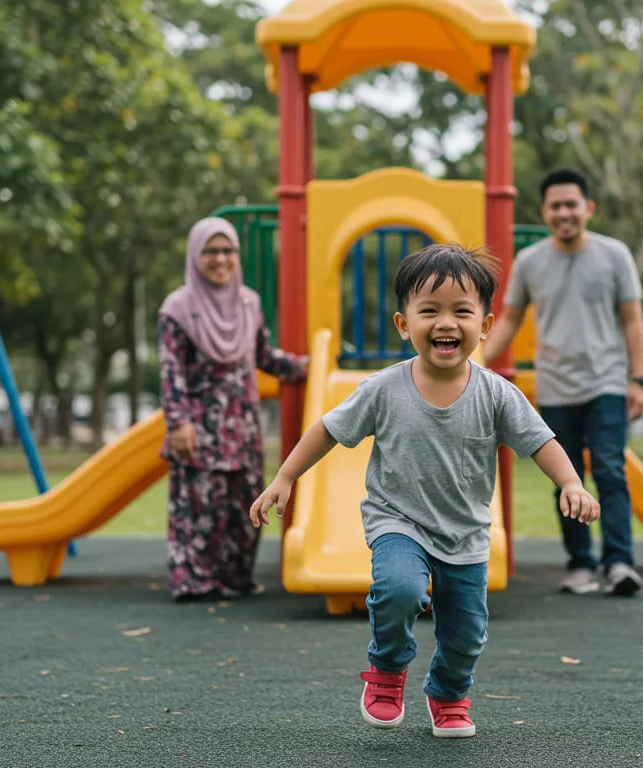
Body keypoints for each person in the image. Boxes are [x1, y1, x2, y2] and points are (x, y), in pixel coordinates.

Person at [249, 244, 599, 738]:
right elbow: (328, 429)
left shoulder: (496, 393)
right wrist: (285, 477)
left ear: (485, 325)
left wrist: (570, 482)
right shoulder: (383, 389)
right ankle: (388, 670)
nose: (445, 323)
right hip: (399, 520)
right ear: (403, 323)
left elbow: (541, 441)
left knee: (466, 634)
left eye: (462, 311)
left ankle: (449, 693)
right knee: (400, 589)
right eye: (429, 310)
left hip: (467, 532)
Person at [482, 167, 643, 597]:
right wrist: (475, 360)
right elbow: (511, 319)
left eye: (571, 204)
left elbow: (633, 321)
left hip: (607, 383)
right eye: (555, 206)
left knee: (610, 471)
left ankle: (619, 563)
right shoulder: (531, 261)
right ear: (545, 211)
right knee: (565, 476)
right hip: (555, 386)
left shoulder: (615, 255)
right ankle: (580, 564)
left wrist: (640, 378)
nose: (564, 213)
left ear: (588, 208)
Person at [157, 216, 307, 602]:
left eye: (227, 251)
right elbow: (171, 371)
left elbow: (261, 355)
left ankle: (236, 578)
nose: (220, 259)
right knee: (198, 505)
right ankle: (195, 582)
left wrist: (302, 367)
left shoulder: (248, 302)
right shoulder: (177, 309)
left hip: (241, 424)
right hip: (199, 423)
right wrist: (178, 423)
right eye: (211, 251)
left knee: (244, 504)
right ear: (195, 255)